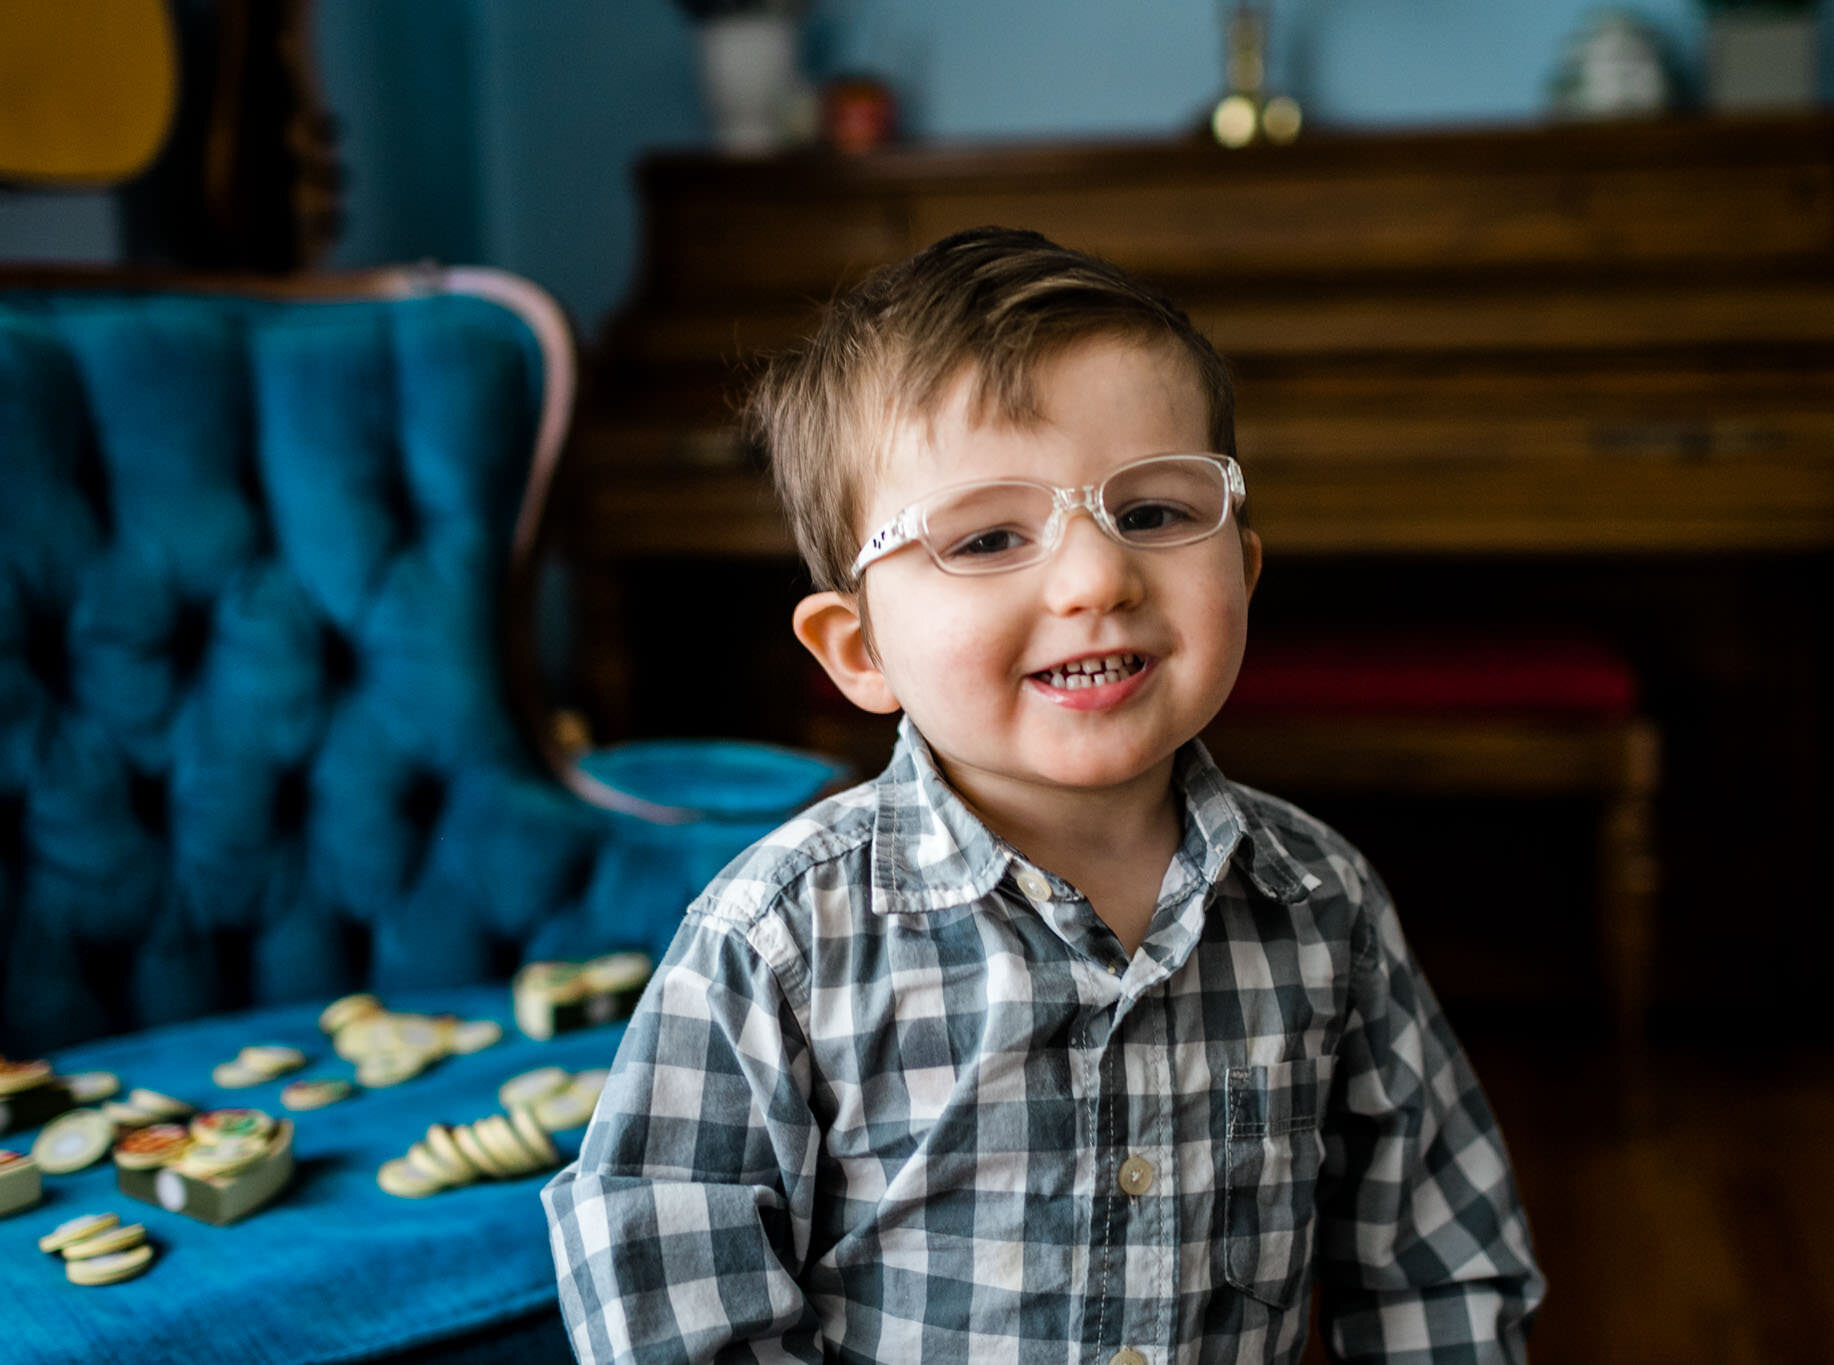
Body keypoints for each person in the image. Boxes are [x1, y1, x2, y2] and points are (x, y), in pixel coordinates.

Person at [542, 227, 1544, 1363]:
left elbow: (1435, 1262)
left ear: (1244, 572)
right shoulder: (776, 943)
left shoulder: (1321, 903)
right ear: (856, 649)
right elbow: (670, 1293)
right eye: (987, 537)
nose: (1094, 578)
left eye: (1154, 515)